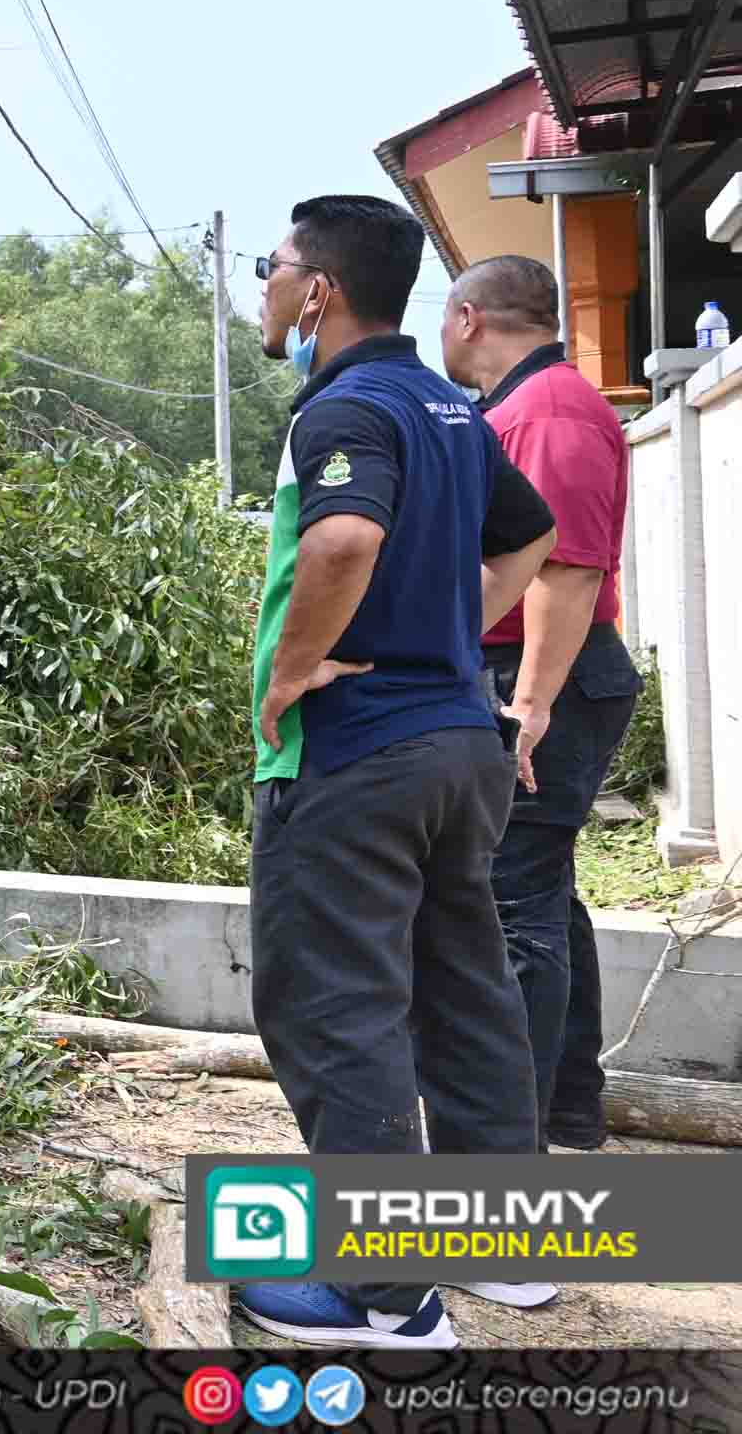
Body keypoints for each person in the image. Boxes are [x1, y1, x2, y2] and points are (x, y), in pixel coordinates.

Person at [232, 194, 557, 1352]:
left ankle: (385, 1292)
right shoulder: (451, 407)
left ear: (319, 291)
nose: (262, 287)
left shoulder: (348, 405)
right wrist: (449, 630)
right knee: (462, 978)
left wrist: (293, 667)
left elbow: (341, 538)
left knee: (334, 1000)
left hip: (358, 751)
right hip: (458, 742)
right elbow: (532, 532)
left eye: (272, 268)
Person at [439, 255, 639, 1171]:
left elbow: (568, 566)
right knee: (543, 895)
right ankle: (564, 1111)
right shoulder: (524, 405)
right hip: (535, 672)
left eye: (443, 321)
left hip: (541, 676)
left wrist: (527, 706)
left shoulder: (550, 409)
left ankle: (501, 1150)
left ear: (470, 317)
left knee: (513, 904)